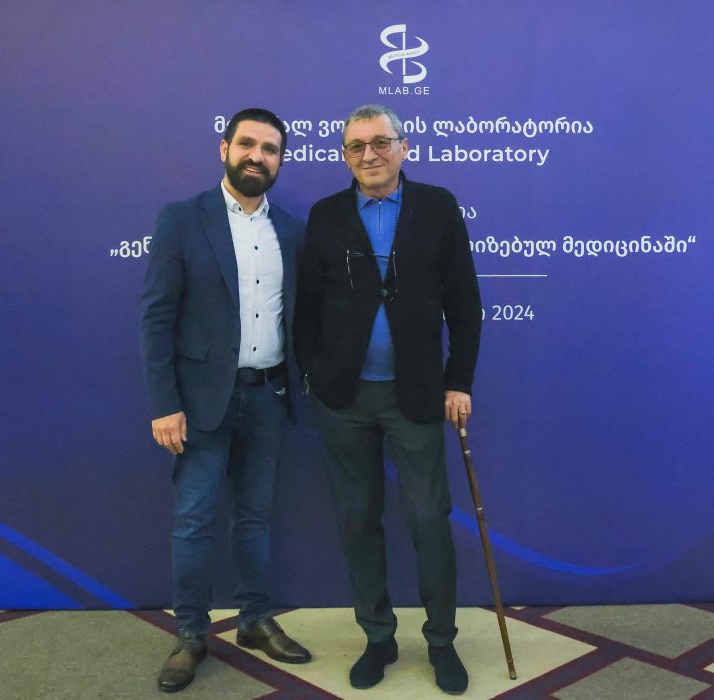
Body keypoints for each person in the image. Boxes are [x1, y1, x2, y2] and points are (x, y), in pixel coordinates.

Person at [294, 104, 482, 695]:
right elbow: (306, 307)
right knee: (357, 521)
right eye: (356, 146)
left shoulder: (438, 206)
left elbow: (465, 302)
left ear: (404, 147)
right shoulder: (326, 214)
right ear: (344, 156)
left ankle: (442, 641)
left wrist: (459, 381)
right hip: (344, 401)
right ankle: (378, 638)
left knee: (429, 521)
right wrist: (314, 377)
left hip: (416, 396)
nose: (369, 155)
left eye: (380, 142)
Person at [140, 107, 311, 694]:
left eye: (270, 149)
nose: (257, 156)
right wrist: (164, 403)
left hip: (268, 398)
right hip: (199, 404)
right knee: (193, 520)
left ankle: (255, 620)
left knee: (255, 516)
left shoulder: (292, 230)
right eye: (247, 144)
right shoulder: (183, 219)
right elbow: (156, 317)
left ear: (280, 161)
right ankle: (190, 634)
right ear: (225, 149)